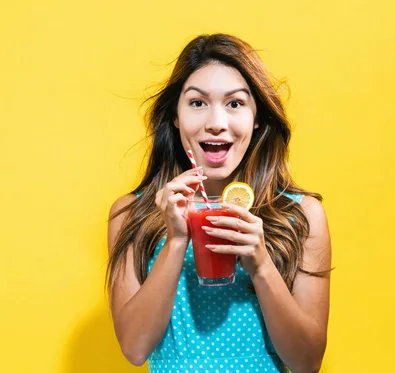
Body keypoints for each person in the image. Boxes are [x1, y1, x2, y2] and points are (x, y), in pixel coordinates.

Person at [106, 33, 332, 373]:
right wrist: (177, 240)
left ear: (257, 119)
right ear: (176, 117)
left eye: (235, 103)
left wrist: (260, 263)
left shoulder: (300, 215)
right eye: (197, 103)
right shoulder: (131, 215)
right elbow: (135, 349)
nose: (215, 123)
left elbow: (307, 361)